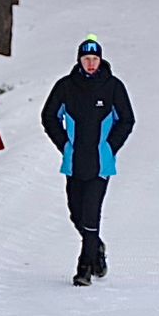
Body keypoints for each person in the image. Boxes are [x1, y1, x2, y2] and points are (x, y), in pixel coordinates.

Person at [42, 35, 136, 286]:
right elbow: (49, 116)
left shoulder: (113, 87)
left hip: (100, 163)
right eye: (86, 59)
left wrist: (110, 146)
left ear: (101, 60)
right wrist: (63, 144)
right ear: (79, 61)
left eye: (95, 59)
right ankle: (96, 247)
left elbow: (127, 120)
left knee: (92, 213)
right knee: (76, 214)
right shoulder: (65, 86)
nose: (91, 64)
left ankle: (84, 267)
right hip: (74, 162)